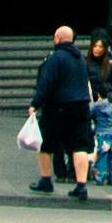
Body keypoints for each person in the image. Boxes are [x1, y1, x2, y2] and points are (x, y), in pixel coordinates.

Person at [33, 25, 95, 198]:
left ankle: (46, 180)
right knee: (80, 146)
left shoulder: (55, 58)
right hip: (81, 106)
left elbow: (46, 83)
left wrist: (35, 104)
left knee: (45, 144)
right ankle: (81, 185)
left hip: (58, 107)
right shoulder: (80, 58)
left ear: (58, 38)